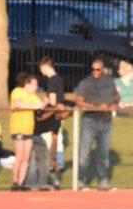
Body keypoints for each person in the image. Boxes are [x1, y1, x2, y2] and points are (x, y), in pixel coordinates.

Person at [73, 58, 119, 190]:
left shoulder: (110, 82)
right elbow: (79, 101)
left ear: (103, 69)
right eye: (93, 69)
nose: (95, 72)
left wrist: (113, 104)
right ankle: (81, 181)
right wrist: (96, 106)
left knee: (103, 154)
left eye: (98, 69)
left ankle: (103, 181)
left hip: (106, 121)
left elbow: (116, 96)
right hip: (90, 121)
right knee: (84, 153)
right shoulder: (86, 83)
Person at [9, 73, 45, 191]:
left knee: (26, 157)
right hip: (18, 127)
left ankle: (21, 182)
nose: (36, 87)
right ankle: (15, 181)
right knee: (19, 156)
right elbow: (17, 105)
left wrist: (43, 103)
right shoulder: (18, 91)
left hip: (29, 129)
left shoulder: (33, 96)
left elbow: (40, 106)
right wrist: (33, 106)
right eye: (34, 84)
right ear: (27, 84)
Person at [37, 57, 67, 188]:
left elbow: (53, 102)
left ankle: (53, 174)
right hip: (57, 116)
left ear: (45, 66)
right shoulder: (58, 79)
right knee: (55, 143)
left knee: (51, 145)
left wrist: (45, 106)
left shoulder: (52, 81)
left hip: (53, 116)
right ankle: (55, 175)